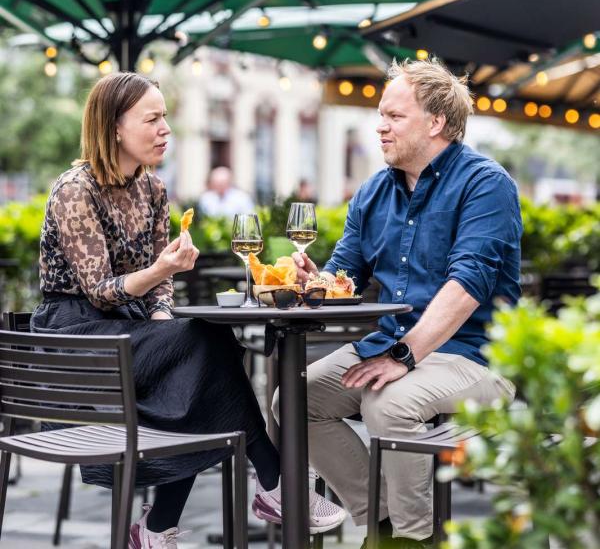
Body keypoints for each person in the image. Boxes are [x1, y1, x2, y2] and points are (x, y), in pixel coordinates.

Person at [32, 72, 346, 549]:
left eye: (166, 118)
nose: (166, 130)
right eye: (152, 119)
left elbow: (162, 288)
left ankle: (165, 526)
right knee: (207, 341)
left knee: (200, 350)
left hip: (132, 332)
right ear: (114, 126)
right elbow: (98, 290)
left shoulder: (153, 189)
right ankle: (270, 480)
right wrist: (160, 273)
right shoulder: (76, 190)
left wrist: (161, 311)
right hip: (80, 340)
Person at [274, 59, 521, 548]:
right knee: (293, 399)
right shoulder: (373, 191)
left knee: (387, 402)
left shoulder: (486, 184)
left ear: (436, 123)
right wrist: (316, 281)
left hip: (475, 356)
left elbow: (467, 284)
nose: (380, 126)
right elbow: (344, 273)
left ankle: (412, 539)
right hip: (388, 347)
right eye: (380, 115)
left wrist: (404, 355)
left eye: (394, 116)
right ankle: (383, 524)